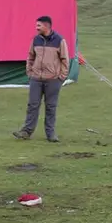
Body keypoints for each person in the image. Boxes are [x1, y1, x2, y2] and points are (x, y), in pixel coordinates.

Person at [13, 15, 69, 143]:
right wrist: (30, 72)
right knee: (32, 105)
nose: (36, 28)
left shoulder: (59, 41)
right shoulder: (35, 40)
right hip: (36, 79)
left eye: (39, 25)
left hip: (53, 80)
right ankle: (26, 132)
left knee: (51, 107)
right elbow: (30, 56)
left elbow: (65, 60)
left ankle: (51, 134)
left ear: (46, 26)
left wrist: (61, 77)